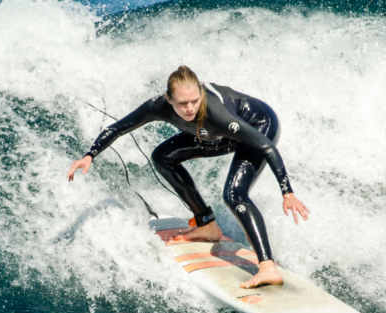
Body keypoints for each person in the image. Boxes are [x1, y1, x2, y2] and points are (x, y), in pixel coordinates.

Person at [66, 66, 309, 289]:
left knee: (234, 195)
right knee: (162, 157)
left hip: (258, 126)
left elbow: (266, 147)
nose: (190, 108)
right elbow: (118, 127)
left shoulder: (216, 113)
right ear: (169, 99)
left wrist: (287, 192)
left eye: (195, 101)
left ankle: (268, 267)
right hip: (215, 135)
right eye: (182, 104)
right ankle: (206, 224)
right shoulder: (157, 106)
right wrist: (90, 155)